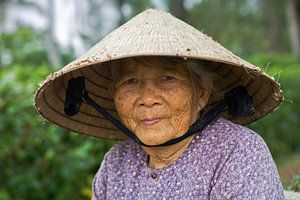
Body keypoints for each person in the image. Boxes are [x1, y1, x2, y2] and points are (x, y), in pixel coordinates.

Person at [34, 9, 284, 199]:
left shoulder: (237, 152)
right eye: (130, 81)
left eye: (167, 78)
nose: (147, 98)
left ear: (202, 93)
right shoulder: (116, 165)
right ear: (113, 95)